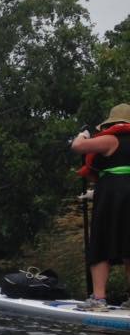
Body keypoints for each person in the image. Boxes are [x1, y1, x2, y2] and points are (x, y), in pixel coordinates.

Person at [71, 103, 130, 311]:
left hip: (112, 195)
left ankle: (99, 299)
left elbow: (77, 147)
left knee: (101, 243)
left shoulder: (112, 139)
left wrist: (84, 135)